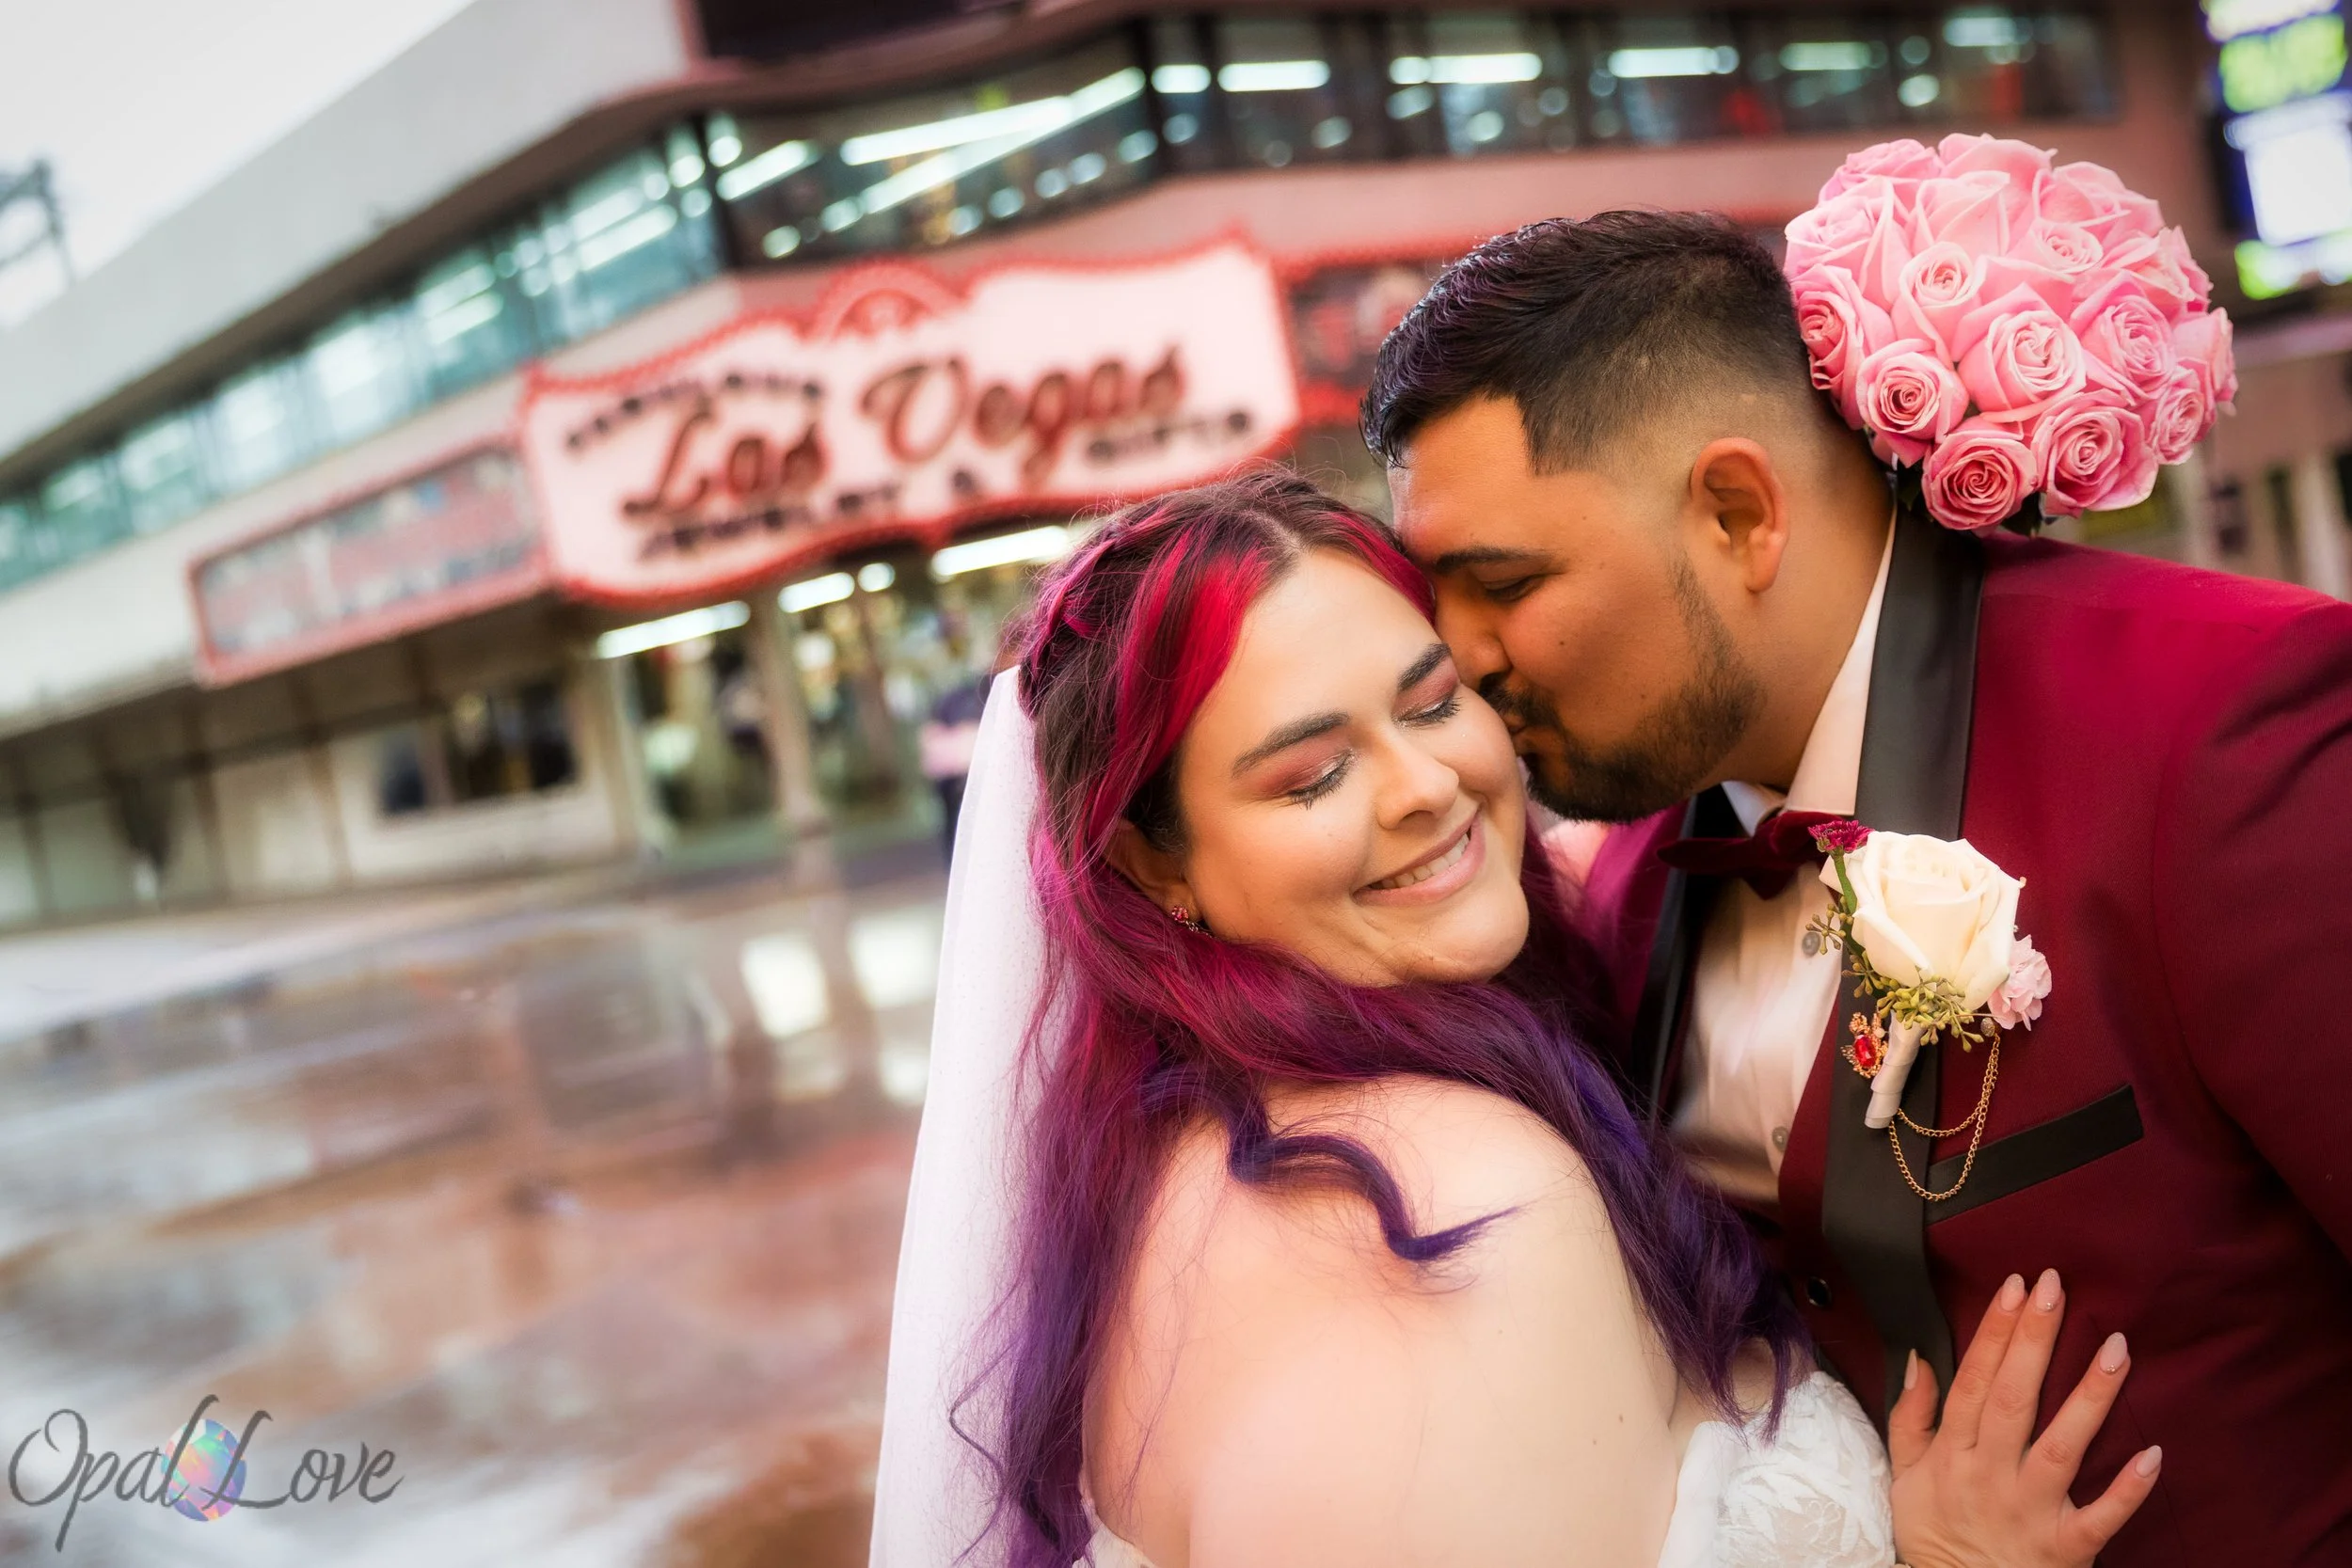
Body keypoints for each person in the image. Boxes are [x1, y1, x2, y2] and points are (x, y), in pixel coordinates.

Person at [871, 471, 2153, 1567]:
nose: (1430, 786)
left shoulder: (1171, 1158)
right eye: (1313, 774)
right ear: (1158, 869)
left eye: (1432, 702)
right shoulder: (1430, 1218)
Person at [1361, 203, 2352, 1563]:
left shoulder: (2218, 728)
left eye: (1504, 582)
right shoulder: (1637, 883)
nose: (1459, 659)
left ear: (1737, 511)